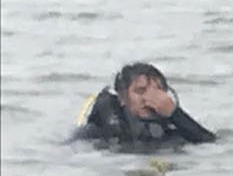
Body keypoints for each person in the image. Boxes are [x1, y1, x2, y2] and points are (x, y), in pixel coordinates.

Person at [73, 63, 217, 147]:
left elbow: (210, 144)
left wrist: (175, 114)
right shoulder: (99, 130)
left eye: (158, 91)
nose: (149, 98)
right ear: (123, 97)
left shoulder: (173, 130)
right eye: (140, 91)